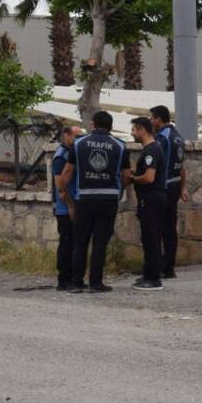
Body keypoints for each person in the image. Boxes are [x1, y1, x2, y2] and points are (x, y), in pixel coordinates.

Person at [58, 110, 128, 293]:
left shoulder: (79, 143)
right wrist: (118, 191)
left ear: (93, 124)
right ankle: (96, 283)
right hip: (108, 199)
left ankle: (76, 282)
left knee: (80, 242)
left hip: (84, 199)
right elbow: (126, 175)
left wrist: (62, 191)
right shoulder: (120, 146)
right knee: (100, 243)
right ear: (111, 126)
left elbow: (67, 172)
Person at [124, 116, 167, 291]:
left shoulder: (151, 151)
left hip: (151, 199)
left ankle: (153, 278)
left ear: (142, 129)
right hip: (151, 199)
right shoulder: (152, 149)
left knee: (151, 238)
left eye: (134, 129)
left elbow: (149, 178)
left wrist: (133, 178)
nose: (132, 133)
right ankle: (149, 273)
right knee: (149, 237)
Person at [149, 105, 188, 280]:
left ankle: (157, 267)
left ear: (158, 119)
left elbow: (156, 162)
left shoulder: (162, 138)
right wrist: (183, 188)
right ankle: (169, 267)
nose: (151, 121)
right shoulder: (179, 137)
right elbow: (182, 167)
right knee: (170, 228)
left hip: (163, 187)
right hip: (174, 185)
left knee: (157, 227)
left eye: (152, 118)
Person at [50, 125, 82, 291]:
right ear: (66, 135)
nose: (78, 140)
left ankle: (73, 277)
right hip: (64, 208)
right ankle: (63, 279)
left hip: (72, 205)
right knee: (66, 243)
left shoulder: (72, 153)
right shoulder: (61, 157)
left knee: (74, 243)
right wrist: (71, 206)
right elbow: (60, 187)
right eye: (76, 137)